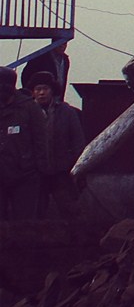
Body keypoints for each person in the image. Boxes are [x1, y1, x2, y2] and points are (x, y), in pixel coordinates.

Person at [29, 71, 85, 219]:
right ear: (32, 93)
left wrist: (73, 166)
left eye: (45, 88)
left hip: (62, 171)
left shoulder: (67, 112)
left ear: (52, 91)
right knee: (36, 213)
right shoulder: (26, 113)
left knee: (70, 211)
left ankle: (76, 241)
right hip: (36, 173)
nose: (42, 93)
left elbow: (78, 140)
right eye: (38, 89)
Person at [0, 65, 47, 221]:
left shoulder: (29, 108)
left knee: (24, 223)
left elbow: (41, 141)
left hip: (25, 177)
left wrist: (39, 170)